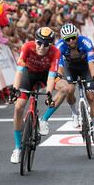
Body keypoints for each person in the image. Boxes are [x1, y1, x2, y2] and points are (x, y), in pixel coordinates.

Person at [9, 27, 69, 164]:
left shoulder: (55, 52)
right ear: (35, 41)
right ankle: (18, 148)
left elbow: (51, 77)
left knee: (65, 88)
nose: (42, 47)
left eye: (46, 44)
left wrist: (48, 94)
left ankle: (43, 120)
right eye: (39, 43)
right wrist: (14, 89)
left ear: (51, 44)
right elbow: (19, 71)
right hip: (28, 75)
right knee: (18, 107)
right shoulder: (27, 47)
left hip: (45, 75)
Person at [56, 23, 94, 144]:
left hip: (85, 67)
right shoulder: (60, 46)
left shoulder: (86, 42)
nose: (71, 41)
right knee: (70, 89)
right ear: (63, 39)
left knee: (91, 97)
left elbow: (91, 64)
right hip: (69, 68)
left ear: (77, 35)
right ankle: (74, 112)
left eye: (73, 37)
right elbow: (60, 66)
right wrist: (59, 78)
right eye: (67, 39)